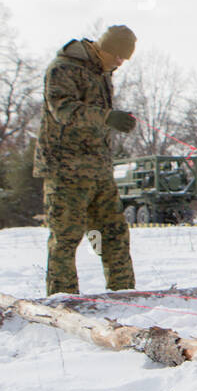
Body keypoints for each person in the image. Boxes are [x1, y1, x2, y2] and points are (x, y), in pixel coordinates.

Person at [33, 25, 139, 295]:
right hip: (65, 171)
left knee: (113, 235)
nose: (119, 63)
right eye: (116, 56)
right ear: (102, 48)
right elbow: (63, 110)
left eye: (123, 59)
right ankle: (63, 303)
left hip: (99, 171)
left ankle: (126, 298)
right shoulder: (62, 68)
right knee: (66, 239)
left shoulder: (102, 73)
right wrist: (106, 117)